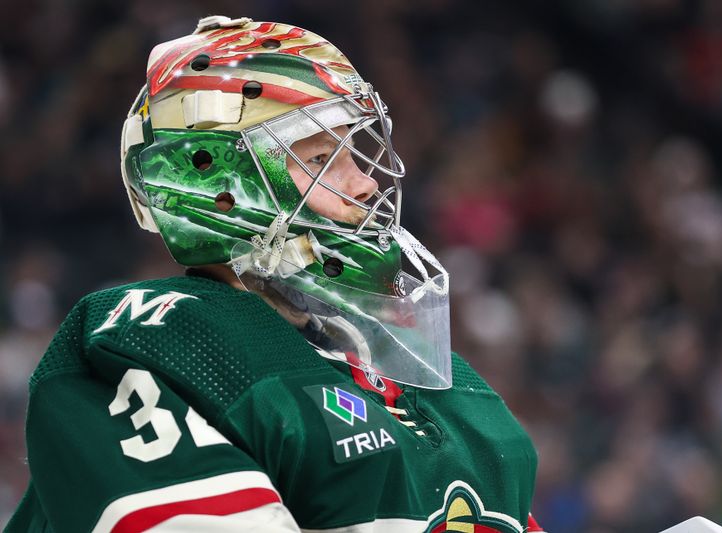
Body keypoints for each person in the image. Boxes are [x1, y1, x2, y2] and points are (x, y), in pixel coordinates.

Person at [5, 16, 544, 533]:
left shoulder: (449, 387)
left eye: (355, 152)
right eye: (318, 158)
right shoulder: (156, 342)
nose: (364, 185)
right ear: (217, 182)